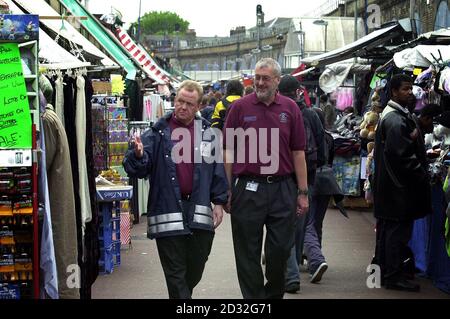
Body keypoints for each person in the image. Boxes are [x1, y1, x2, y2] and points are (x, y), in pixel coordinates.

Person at [123, 80, 229, 299]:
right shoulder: (156, 133)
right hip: (167, 212)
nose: (183, 107)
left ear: (199, 106)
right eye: (180, 101)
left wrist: (219, 201)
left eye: (189, 104)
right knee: (176, 275)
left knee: (194, 269)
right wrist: (139, 155)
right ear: (174, 100)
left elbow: (217, 169)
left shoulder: (208, 134)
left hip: (199, 213)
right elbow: (137, 169)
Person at [223, 58, 309, 299]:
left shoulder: (290, 109)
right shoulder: (239, 108)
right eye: (257, 78)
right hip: (247, 189)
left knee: (280, 251)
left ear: (277, 81)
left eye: (265, 78)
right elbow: (228, 150)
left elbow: (298, 152)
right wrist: (226, 189)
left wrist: (302, 193)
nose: (259, 83)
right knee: (247, 253)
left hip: (283, 189)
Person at [373, 74, 432, 292]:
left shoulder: (395, 115)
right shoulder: (395, 120)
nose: (409, 93)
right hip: (397, 189)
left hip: (391, 188)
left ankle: (387, 272)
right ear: (395, 91)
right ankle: (393, 275)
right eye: (405, 89)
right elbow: (403, 158)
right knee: (396, 234)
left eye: (411, 89)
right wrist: (422, 175)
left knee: (390, 233)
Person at [277, 75, 326, 293]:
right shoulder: (311, 114)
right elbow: (322, 145)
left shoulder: (278, 113)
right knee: (301, 222)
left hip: (284, 175)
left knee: (282, 221)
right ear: (298, 91)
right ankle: (295, 266)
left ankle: (290, 269)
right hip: (309, 176)